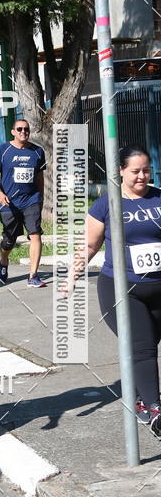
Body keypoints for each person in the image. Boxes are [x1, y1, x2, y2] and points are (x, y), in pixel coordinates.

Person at [77, 145, 161, 434]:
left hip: (158, 288)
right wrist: (72, 273)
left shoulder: (159, 198)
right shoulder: (107, 204)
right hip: (121, 288)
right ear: (121, 171)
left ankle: (140, 399)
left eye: (146, 170)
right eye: (135, 171)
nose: (142, 176)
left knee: (150, 345)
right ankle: (155, 410)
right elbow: (90, 245)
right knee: (143, 347)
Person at [0, 119, 47, 287]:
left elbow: (39, 178)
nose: (24, 132)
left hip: (31, 200)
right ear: (13, 131)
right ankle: (4, 260)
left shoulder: (37, 151)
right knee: (9, 241)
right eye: (20, 129)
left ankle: (33, 276)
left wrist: (40, 198)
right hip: (9, 203)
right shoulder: (3, 150)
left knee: (35, 234)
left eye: (26, 129)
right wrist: (0, 194)